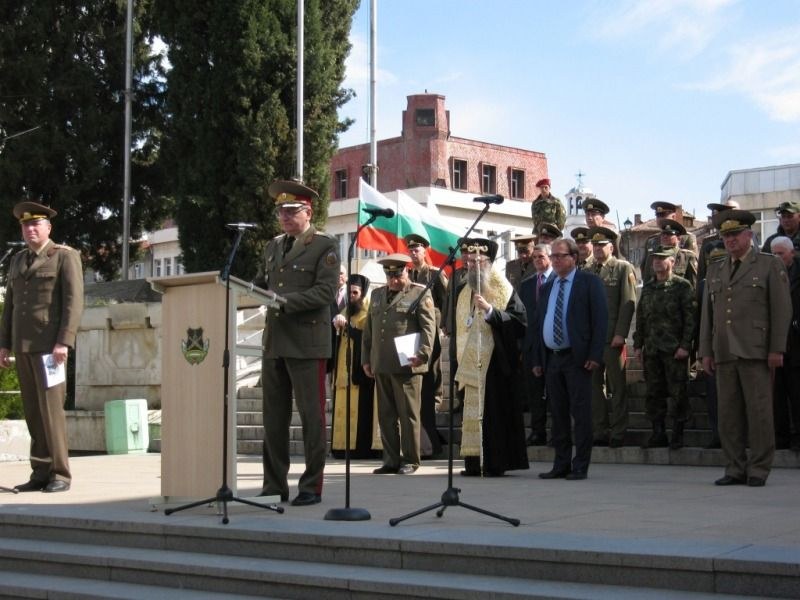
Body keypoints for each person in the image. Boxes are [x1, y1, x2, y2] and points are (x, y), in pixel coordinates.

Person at [256, 179, 340, 506]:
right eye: (280, 211)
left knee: (312, 418)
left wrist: (282, 301)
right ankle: (274, 485)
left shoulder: (324, 246)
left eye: (291, 211)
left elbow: (325, 292)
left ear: (308, 212)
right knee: (273, 421)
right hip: (275, 341)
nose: (284, 217)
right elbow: (260, 284)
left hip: (307, 342)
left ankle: (311, 486)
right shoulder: (273, 246)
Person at [699, 210, 792, 487]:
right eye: (726, 236)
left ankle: (759, 468)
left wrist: (777, 349)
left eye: (735, 235)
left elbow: (781, 310)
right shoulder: (716, 268)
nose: (729, 240)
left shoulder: (768, 265)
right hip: (724, 350)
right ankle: (734, 467)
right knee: (728, 414)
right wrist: (706, 350)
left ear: (749, 235)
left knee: (759, 412)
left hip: (756, 350)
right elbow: (708, 315)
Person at [0, 201, 83, 493]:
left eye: (36, 224)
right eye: (25, 225)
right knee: (33, 412)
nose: (30, 229)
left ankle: (60, 473)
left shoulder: (64, 257)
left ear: (48, 227)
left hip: (50, 348)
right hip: (23, 346)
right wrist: (4, 344)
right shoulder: (18, 260)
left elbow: (73, 303)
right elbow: (10, 305)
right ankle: (40, 471)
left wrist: (64, 341)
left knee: (51, 411)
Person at [452, 238, 529, 476]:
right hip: (469, 363)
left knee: (494, 416)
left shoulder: (503, 289)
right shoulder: (463, 291)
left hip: (496, 364)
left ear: (489, 263)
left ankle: (495, 463)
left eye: (479, 261)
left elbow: (520, 323)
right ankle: (474, 463)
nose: (474, 266)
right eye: (470, 261)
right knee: (471, 416)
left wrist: (491, 311)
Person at [532, 238, 607, 480]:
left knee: (581, 413)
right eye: (553, 256)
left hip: (578, 358)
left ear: (574, 258)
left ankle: (580, 465)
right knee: (558, 413)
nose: (555, 260)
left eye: (560, 256)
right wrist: (538, 359)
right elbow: (539, 323)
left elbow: (600, 320)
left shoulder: (589, 282)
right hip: (553, 359)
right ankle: (561, 463)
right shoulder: (548, 287)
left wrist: (595, 354)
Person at [362, 254, 436, 475]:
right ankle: (390, 460)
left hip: (407, 364)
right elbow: (369, 330)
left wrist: (423, 354)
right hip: (382, 362)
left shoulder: (419, 292)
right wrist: (366, 359)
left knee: (408, 415)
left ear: (407, 271)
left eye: (398, 274)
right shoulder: (376, 295)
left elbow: (428, 328)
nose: (394, 279)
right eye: (390, 275)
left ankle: (411, 460)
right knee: (386, 416)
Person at [634, 247, 696, 450]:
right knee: (654, 392)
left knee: (678, 392)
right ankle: (657, 432)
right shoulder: (649, 287)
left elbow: (690, 319)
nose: (657, 262)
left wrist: (685, 346)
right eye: (655, 259)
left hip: (674, 350)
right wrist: (638, 345)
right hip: (652, 349)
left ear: (672, 261)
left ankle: (678, 433)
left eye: (662, 259)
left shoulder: (682, 286)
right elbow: (642, 317)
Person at [587, 227, 636, 448]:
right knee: (594, 388)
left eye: (601, 245)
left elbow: (628, 304)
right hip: (591, 340)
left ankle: (618, 431)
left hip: (611, 339)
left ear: (611, 247)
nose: (597, 249)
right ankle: (600, 430)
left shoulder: (622, 268)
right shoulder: (587, 270)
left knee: (617, 387)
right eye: (595, 246)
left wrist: (621, 334)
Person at [404, 233, 448, 456]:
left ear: (425, 251)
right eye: (410, 250)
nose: (413, 253)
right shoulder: (406, 274)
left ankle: (430, 430)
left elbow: (445, 299)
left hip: (431, 330)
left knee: (431, 377)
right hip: (411, 332)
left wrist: (445, 326)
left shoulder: (434, 274)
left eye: (417, 250)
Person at [330, 274, 379, 459]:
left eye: (355, 292)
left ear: (363, 293)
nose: (352, 296)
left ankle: (359, 448)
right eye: (349, 292)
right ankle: (341, 447)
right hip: (343, 370)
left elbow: (368, 339)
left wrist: (350, 328)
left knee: (361, 411)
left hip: (360, 370)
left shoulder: (369, 313)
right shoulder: (345, 311)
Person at [519, 243, 554, 445]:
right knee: (534, 392)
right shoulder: (527, 284)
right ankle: (537, 431)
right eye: (535, 258)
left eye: (541, 257)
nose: (538, 261)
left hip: (552, 343)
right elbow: (523, 317)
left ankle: (558, 432)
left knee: (555, 392)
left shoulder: (559, 280)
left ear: (549, 257)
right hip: (532, 345)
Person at [769, 236, 800, 450]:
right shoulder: (767, 275)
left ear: (791, 253)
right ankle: (781, 437)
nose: (777, 257)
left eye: (780, 253)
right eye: (774, 253)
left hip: (797, 343)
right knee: (777, 394)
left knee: (797, 393)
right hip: (774, 344)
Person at [640, 201, 697, 283]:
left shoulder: (687, 237)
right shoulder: (651, 240)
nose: (660, 219)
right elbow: (645, 270)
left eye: (663, 215)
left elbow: (692, 269)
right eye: (658, 215)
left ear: (673, 216)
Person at [643, 219, 698, 288]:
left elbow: (694, 284)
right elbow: (646, 282)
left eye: (670, 234)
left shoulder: (687, 257)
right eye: (663, 234)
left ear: (679, 238)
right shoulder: (653, 257)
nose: (665, 236)